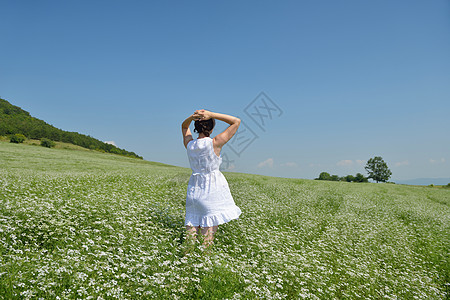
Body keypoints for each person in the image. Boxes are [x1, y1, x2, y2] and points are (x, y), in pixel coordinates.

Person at [181, 109, 242, 248]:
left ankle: (188, 263)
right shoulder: (215, 142)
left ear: (196, 127)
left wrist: (192, 117)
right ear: (212, 127)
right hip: (211, 191)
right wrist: (212, 114)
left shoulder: (190, 145)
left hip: (194, 191)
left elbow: (184, 127)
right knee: (207, 235)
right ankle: (204, 263)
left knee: (191, 230)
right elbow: (236, 121)